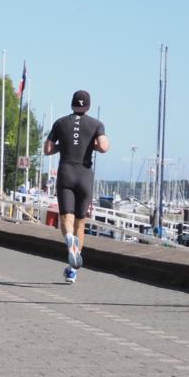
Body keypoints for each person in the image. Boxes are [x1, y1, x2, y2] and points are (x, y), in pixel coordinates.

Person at [44, 90, 109, 284]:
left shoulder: (60, 123)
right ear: (88, 106)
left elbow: (48, 150)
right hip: (84, 175)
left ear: (71, 104)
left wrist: (61, 146)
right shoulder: (96, 124)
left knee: (66, 218)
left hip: (66, 173)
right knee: (81, 222)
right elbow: (104, 147)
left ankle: (69, 240)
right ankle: (72, 270)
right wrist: (92, 145)